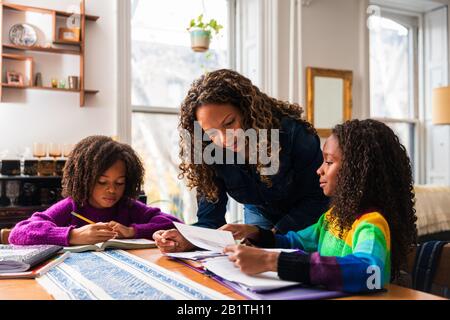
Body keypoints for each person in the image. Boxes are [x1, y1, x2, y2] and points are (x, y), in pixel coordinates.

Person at [222, 119, 418, 293]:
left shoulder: (371, 224)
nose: (319, 170)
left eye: (329, 162)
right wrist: (257, 234)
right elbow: (296, 242)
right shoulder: (334, 218)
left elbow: (368, 271)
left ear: (357, 171)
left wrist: (269, 262)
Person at [153, 69, 329, 252]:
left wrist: (270, 235)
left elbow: (317, 198)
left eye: (229, 123)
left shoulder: (293, 134)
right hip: (259, 211)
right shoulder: (208, 151)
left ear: (247, 110)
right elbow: (210, 220)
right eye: (211, 133)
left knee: (295, 266)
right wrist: (186, 239)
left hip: (308, 216)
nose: (225, 139)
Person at [9, 135, 182, 246]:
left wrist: (132, 231)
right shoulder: (72, 206)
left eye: (120, 183)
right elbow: (19, 232)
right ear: (85, 179)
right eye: (101, 182)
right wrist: (73, 235)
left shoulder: (127, 206)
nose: (112, 190)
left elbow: (176, 225)